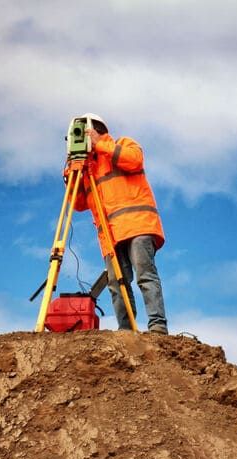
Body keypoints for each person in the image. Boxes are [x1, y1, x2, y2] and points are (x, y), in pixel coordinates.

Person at [72, 113, 169, 334]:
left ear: (95, 131)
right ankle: (126, 331)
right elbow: (79, 203)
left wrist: (101, 144)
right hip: (110, 234)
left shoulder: (121, 144)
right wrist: (71, 172)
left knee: (145, 276)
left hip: (137, 225)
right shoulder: (89, 166)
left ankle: (158, 327)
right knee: (116, 284)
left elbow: (134, 160)